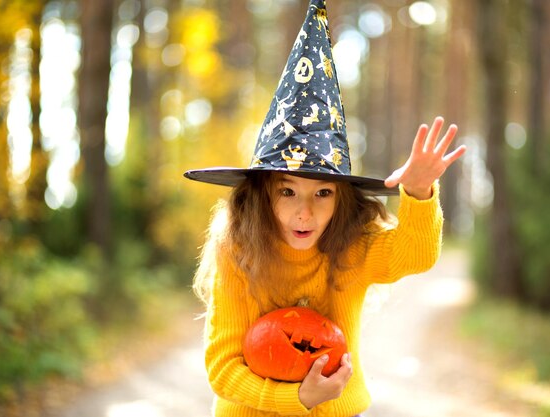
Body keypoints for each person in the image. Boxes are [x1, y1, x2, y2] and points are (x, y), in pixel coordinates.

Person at [184, 1, 466, 416]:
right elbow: (223, 370)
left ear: (342, 198)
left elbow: (416, 255)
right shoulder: (238, 250)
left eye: (323, 194)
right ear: (261, 196)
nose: (305, 213)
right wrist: (297, 399)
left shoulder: (352, 244)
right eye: (287, 192)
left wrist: (420, 192)